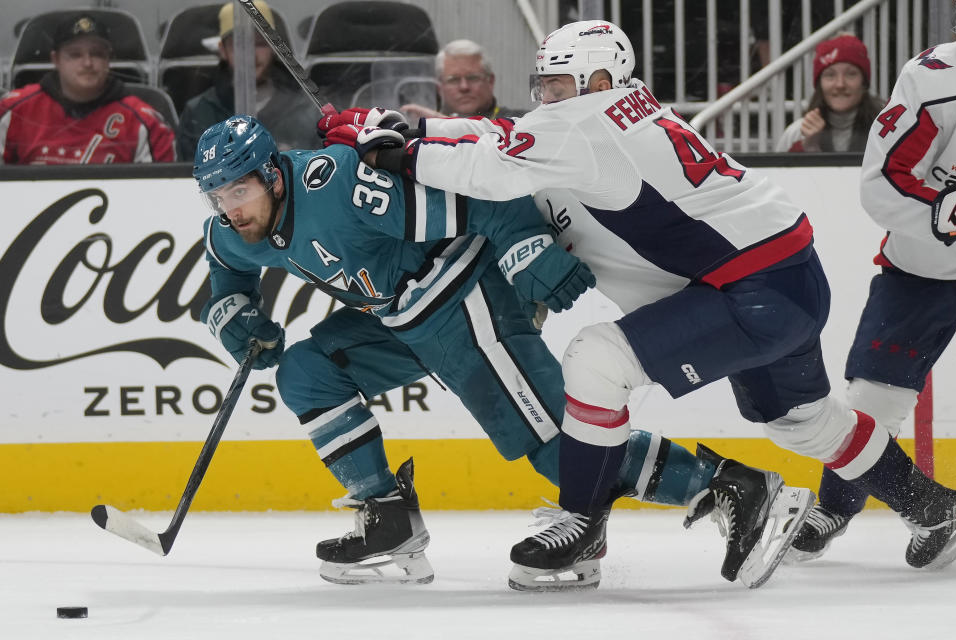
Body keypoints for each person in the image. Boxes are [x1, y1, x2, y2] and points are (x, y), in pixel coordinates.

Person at [329, 19, 956, 586]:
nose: (544, 97)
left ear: (599, 78)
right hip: (783, 273)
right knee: (801, 421)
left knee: (597, 359)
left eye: (555, 84)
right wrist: (416, 126)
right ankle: (933, 508)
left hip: (754, 288)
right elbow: (507, 135)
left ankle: (581, 525)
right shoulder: (615, 112)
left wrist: (400, 149)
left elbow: (493, 165)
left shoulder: (582, 122)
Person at [196, 113, 809, 591]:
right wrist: (235, 316)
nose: (230, 208)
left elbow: (484, 197)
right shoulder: (234, 227)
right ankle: (386, 517)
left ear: (274, 174)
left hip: (463, 295)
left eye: (239, 192)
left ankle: (732, 486)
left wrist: (523, 245)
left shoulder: (340, 190)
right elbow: (227, 272)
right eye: (217, 197)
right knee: (308, 372)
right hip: (400, 320)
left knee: (552, 450)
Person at [786, 28, 956, 561]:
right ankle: (837, 505)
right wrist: (948, 215)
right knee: (872, 401)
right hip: (927, 267)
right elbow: (882, 182)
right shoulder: (936, 80)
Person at [0, 13, 175, 164]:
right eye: (75, 55)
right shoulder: (12, 110)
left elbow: (160, 195)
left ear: (108, 60)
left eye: (97, 54)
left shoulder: (146, 122)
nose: (87, 63)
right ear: (55, 60)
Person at [176, 0, 320, 160]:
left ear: (274, 47)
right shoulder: (199, 113)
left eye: (260, 43)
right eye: (239, 44)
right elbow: (188, 181)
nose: (251, 55)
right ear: (223, 50)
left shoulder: (306, 111)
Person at [776, 34, 886, 153]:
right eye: (830, 75)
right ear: (819, 85)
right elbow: (779, 171)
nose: (840, 84)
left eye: (851, 74)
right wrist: (808, 146)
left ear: (864, 83)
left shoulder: (886, 130)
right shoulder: (797, 133)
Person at [400, 39, 526, 121]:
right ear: (439, 87)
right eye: (453, 80)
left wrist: (444, 125)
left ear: (491, 81)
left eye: (473, 78)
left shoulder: (520, 121)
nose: (464, 87)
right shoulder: (423, 124)